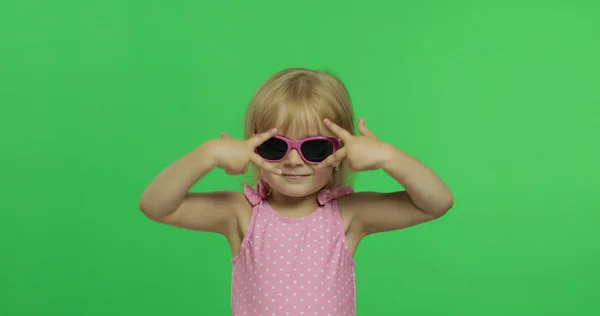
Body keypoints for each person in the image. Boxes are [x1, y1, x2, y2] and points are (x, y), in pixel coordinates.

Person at [138, 68, 454, 315]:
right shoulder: (241, 214)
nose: (292, 160)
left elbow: (436, 203)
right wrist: (207, 154)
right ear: (253, 145)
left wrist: (387, 156)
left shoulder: (347, 217)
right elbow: (155, 205)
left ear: (340, 151)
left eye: (314, 148)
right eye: (275, 147)